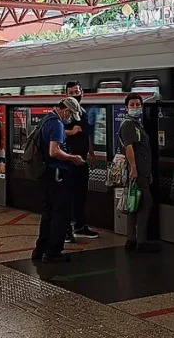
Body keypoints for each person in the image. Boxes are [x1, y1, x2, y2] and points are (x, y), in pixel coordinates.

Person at [32, 97, 86, 263]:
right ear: (66, 110)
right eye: (70, 114)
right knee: (60, 213)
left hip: (48, 173)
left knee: (48, 212)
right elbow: (54, 151)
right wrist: (73, 158)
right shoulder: (57, 124)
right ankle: (53, 252)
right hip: (58, 173)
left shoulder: (46, 120)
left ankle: (40, 249)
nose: (70, 118)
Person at [120, 92, 157, 251]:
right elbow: (129, 147)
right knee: (145, 203)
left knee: (134, 204)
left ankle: (131, 240)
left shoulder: (136, 124)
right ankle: (141, 241)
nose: (135, 107)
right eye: (132, 105)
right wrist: (134, 168)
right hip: (137, 171)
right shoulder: (128, 124)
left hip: (142, 170)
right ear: (126, 107)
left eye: (137, 104)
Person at [65, 81, 99, 241]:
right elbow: (53, 130)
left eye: (76, 92)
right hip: (68, 160)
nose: (74, 95)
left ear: (82, 93)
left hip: (82, 160)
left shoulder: (83, 112)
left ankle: (80, 226)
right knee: (68, 196)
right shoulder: (64, 111)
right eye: (71, 92)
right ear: (66, 95)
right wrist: (71, 132)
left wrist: (92, 153)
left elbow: (86, 134)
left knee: (81, 195)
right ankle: (66, 230)